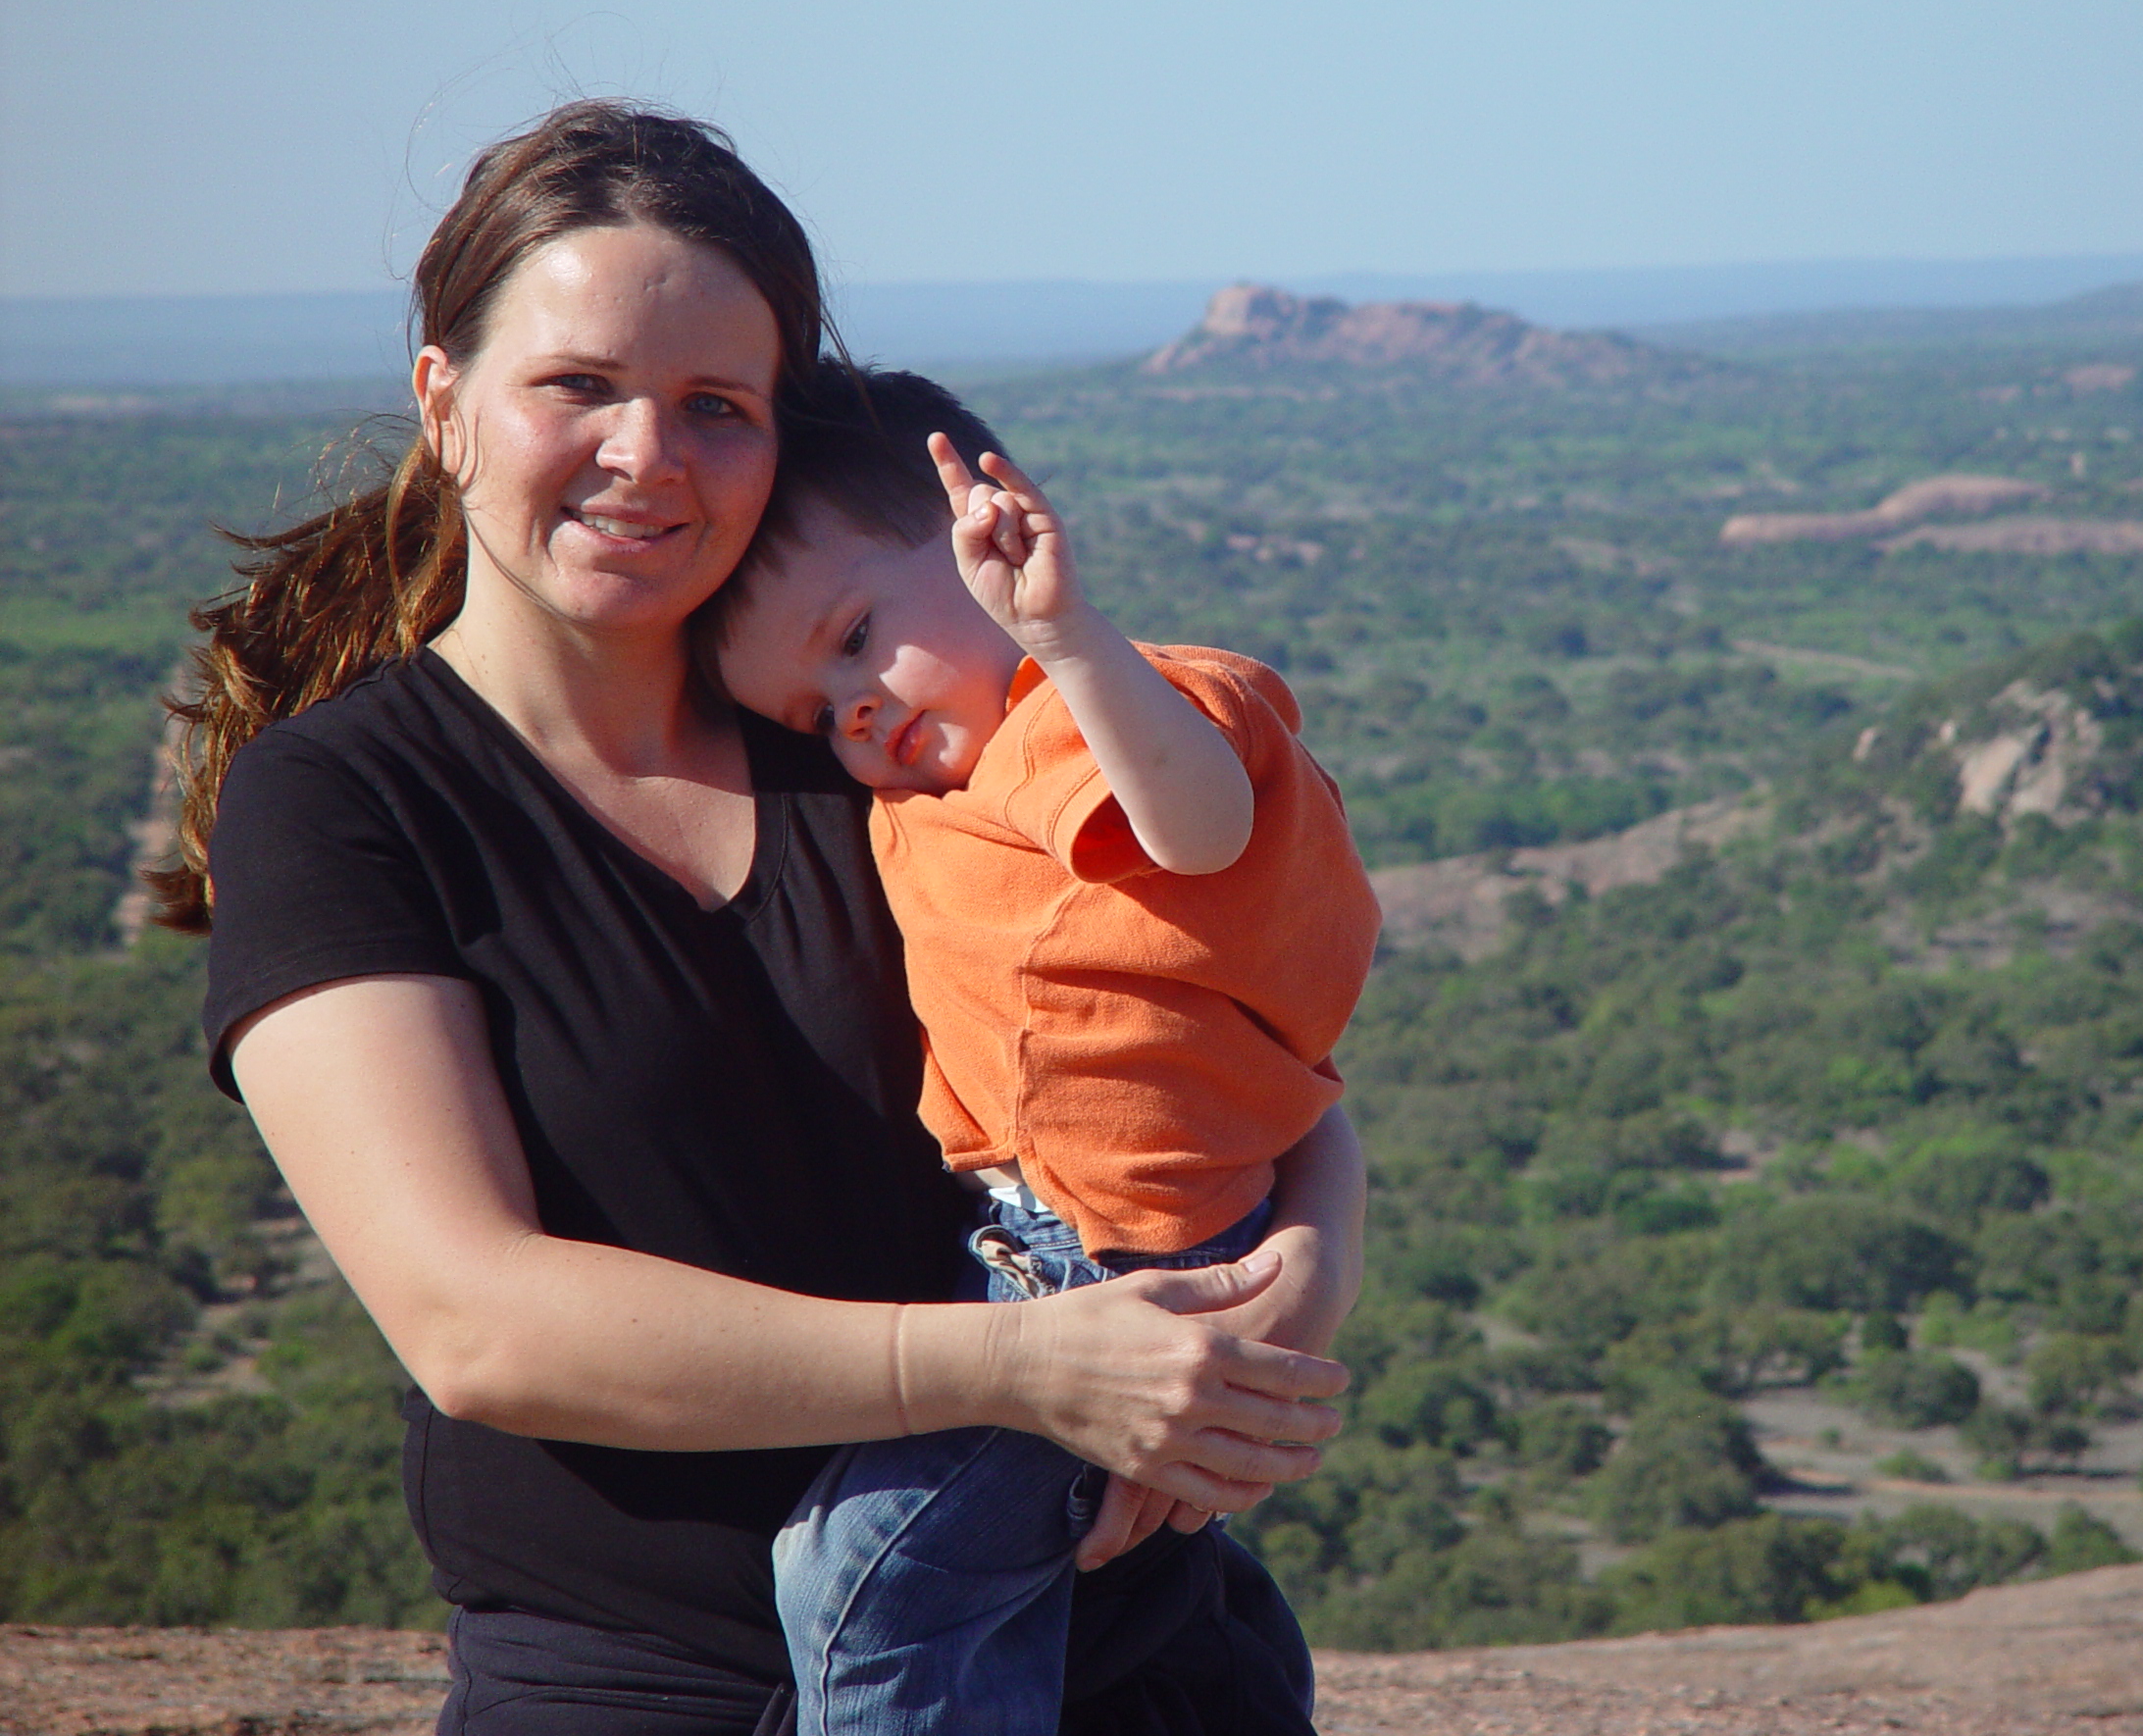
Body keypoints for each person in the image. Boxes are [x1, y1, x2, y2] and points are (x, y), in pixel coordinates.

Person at [158, 99, 1363, 1736]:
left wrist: (1293, 1276)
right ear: (444, 402)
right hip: (648, 1690)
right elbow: (479, 1325)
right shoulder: (351, 801)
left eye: (714, 406)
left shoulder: (883, 738)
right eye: (577, 386)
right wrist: (1030, 1372)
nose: (649, 457)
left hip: (1125, 1659)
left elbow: (1209, 1015)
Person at [706, 370, 1379, 1736]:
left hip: (1117, 1258)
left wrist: (1064, 634)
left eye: (855, 638)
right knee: (1002, 1566)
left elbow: (1193, 826)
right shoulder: (945, 789)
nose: (852, 714)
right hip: (1056, 1242)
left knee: (863, 1578)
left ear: (998, 532)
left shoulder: (1085, 716)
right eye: (809, 713)